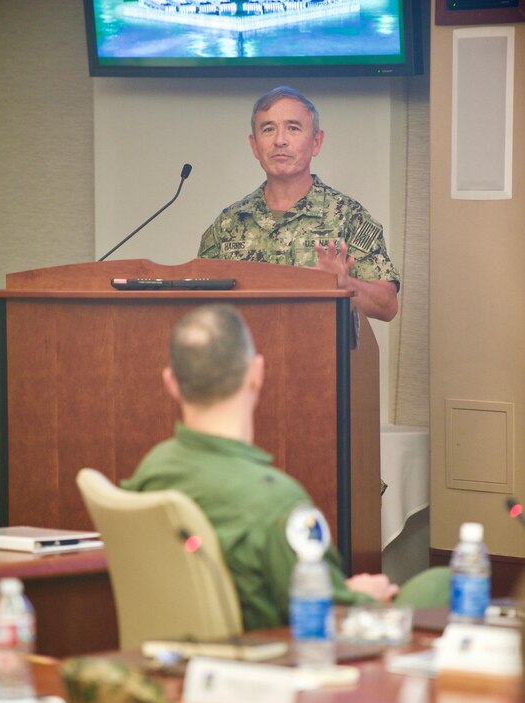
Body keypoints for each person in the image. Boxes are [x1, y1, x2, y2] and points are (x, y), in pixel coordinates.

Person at [121, 304, 449, 631]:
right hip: (275, 657)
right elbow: (327, 611)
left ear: (171, 382)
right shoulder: (278, 502)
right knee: (440, 583)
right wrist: (364, 595)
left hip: (174, 655)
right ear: (256, 374)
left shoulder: (150, 471)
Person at [198, 86, 399, 322]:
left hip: (321, 356)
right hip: (245, 356)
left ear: (316, 142)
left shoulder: (349, 216)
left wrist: (345, 285)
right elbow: (199, 302)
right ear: (255, 146)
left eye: (293, 128)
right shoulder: (228, 223)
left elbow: (388, 305)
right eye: (268, 129)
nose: (280, 141)